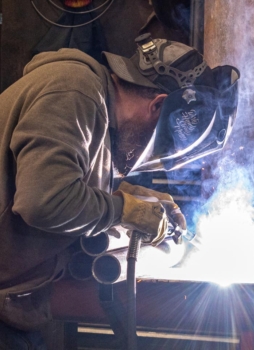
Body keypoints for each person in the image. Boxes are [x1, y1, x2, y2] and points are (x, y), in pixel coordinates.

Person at [0, 33, 239, 349]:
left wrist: (132, 197)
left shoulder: (94, 112)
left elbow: (60, 182)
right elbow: (44, 201)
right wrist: (125, 210)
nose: (144, 159)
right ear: (157, 105)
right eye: (156, 148)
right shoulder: (75, 90)